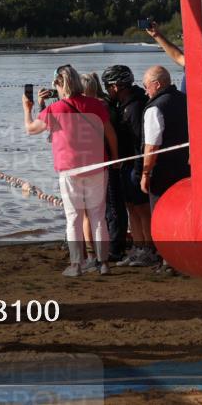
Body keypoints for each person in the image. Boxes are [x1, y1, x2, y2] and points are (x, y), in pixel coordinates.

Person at [23, 64, 119, 277]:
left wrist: (27, 108)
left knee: (74, 217)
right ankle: (104, 263)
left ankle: (76, 265)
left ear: (59, 84)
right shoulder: (96, 104)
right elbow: (110, 133)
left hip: (70, 169)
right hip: (97, 165)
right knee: (98, 216)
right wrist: (115, 158)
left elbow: (30, 129)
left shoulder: (55, 110)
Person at [102, 64, 154, 268]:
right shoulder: (123, 104)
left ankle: (149, 249)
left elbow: (141, 140)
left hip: (135, 164)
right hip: (126, 164)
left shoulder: (134, 106)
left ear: (117, 86)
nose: (107, 91)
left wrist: (140, 169)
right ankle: (139, 247)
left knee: (142, 209)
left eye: (108, 87)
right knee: (132, 207)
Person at [141, 65, 190, 273]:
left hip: (162, 171)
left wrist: (145, 173)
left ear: (157, 84)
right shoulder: (186, 100)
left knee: (161, 216)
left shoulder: (155, 108)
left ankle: (168, 260)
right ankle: (182, 258)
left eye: (146, 86)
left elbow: (152, 145)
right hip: (185, 168)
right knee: (181, 214)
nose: (145, 91)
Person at [80, 72, 118, 265]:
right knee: (100, 213)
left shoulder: (83, 108)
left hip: (87, 164)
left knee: (89, 214)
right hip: (102, 162)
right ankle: (102, 257)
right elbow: (111, 134)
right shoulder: (103, 107)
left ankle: (93, 255)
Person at [145, 21, 187, 92]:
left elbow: (177, 56)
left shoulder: (200, 61)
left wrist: (156, 35)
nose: (182, 39)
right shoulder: (196, 61)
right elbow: (177, 56)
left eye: (183, 36)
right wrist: (156, 35)